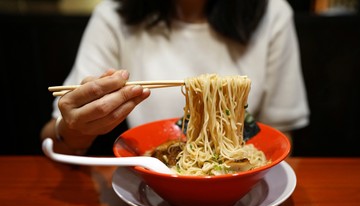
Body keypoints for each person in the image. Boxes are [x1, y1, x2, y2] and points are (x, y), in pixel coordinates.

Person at [40, 0, 309, 155]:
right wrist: (74, 130)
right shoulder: (114, 14)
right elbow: (53, 137)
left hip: (240, 190)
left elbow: (278, 136)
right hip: (149, 180)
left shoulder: (272, 13)